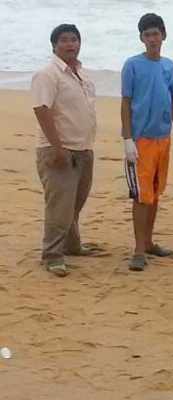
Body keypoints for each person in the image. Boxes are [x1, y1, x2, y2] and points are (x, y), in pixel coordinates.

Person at [31, 24, 100, 277]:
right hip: (59, 149)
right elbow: (41, 109)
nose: (70, 44)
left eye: (74, 39)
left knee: (75, 204)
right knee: (59, 205)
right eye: (64, 40)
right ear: (54, 45)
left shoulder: (82, 74)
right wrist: (57, 148)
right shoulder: (48, 74)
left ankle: (72, 246)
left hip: (84, 148)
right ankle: (52, 255)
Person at [121, 13, 173, 271]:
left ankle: (148, 242)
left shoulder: (169, 66)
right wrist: (128, 138)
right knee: (141, 195)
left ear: (163, 35)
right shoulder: (132, 65)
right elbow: (126, 102)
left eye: (155, 34)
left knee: (155, 192)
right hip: (141, 140)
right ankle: (138, 250)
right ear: (141, 38)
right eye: (147, 35)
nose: (152, 39)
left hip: (163, 139)